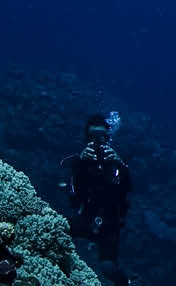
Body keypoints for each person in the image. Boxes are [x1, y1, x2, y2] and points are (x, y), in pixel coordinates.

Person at [64, 114, 132, 284]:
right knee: (55, 229)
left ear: (108, 137)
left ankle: (129, 283)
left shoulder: (116, 161)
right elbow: (74, 197)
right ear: (86, 137)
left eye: (102, 136)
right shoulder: (80, 160)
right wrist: (80, 163)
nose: (98, 141)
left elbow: (127, 190)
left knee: (108, 268)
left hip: (110, 222)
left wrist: (120, 166)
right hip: (86, 216)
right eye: (93, 136)